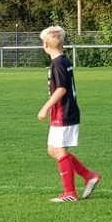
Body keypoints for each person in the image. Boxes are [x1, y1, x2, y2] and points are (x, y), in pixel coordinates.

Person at [38, 26, 101, 203]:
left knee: (60, 151)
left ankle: (70, 193)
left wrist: (45, 108)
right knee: (53, 150)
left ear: (46, 45)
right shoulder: (63, 60)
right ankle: (89, 175)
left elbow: (61, 90)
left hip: (63, 113)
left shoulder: (57, 64)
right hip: (64, 113)